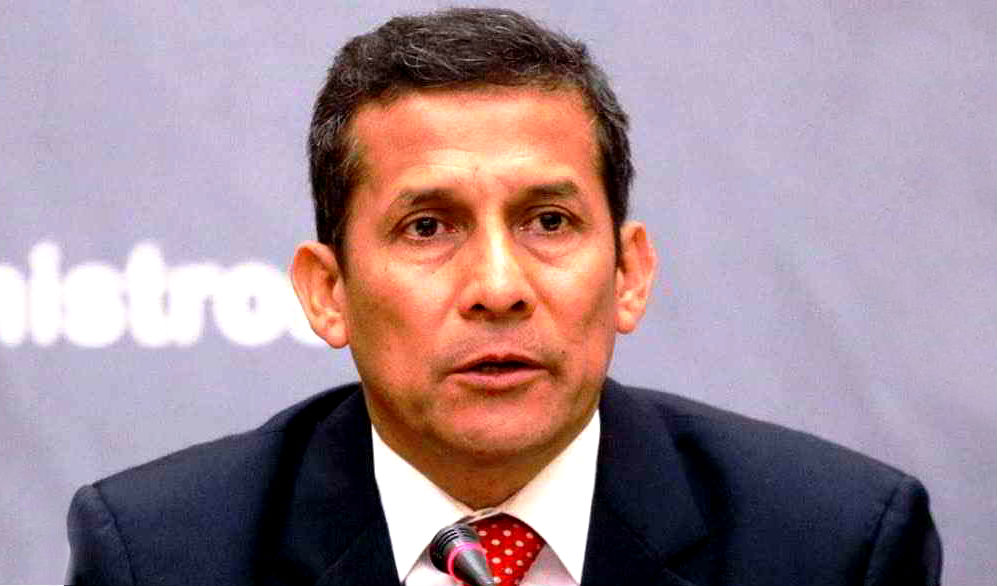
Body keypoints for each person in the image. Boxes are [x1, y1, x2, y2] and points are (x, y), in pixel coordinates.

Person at [66, 8, 941, 585]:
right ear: (328, 292)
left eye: (549, 222)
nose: (497, 288)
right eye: (427, 227)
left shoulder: (831, 545)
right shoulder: (163, 555)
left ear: (629, 273)